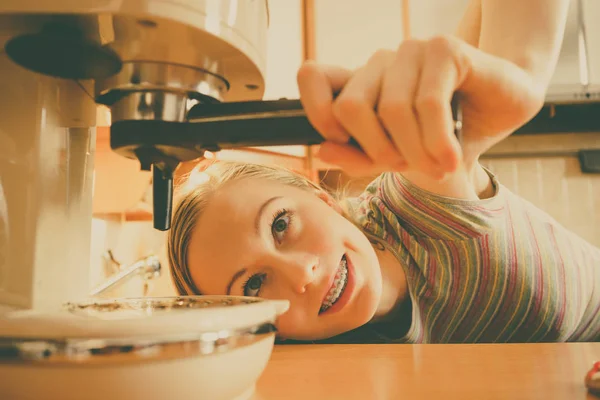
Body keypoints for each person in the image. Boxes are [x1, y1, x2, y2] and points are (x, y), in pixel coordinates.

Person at [167, 0, 600, 343]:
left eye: (281, 224)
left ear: (322, 199)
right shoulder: (325, 354)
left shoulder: (422, 202)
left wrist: (520, 65)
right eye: (255, 284)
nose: (301, 275)